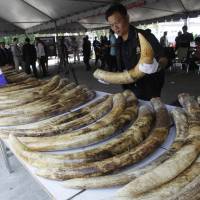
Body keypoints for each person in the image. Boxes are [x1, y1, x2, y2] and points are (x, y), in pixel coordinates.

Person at [105, 3, 168, 100]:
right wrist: (109, 76)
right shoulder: (118, 42)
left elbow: (164, 58)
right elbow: (121, 66)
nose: (115, 28)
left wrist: (157, 66)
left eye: (117, 22)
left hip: (150, 88)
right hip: (129, 88)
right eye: (112, 25)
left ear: (127, 18)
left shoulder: (144, 36)